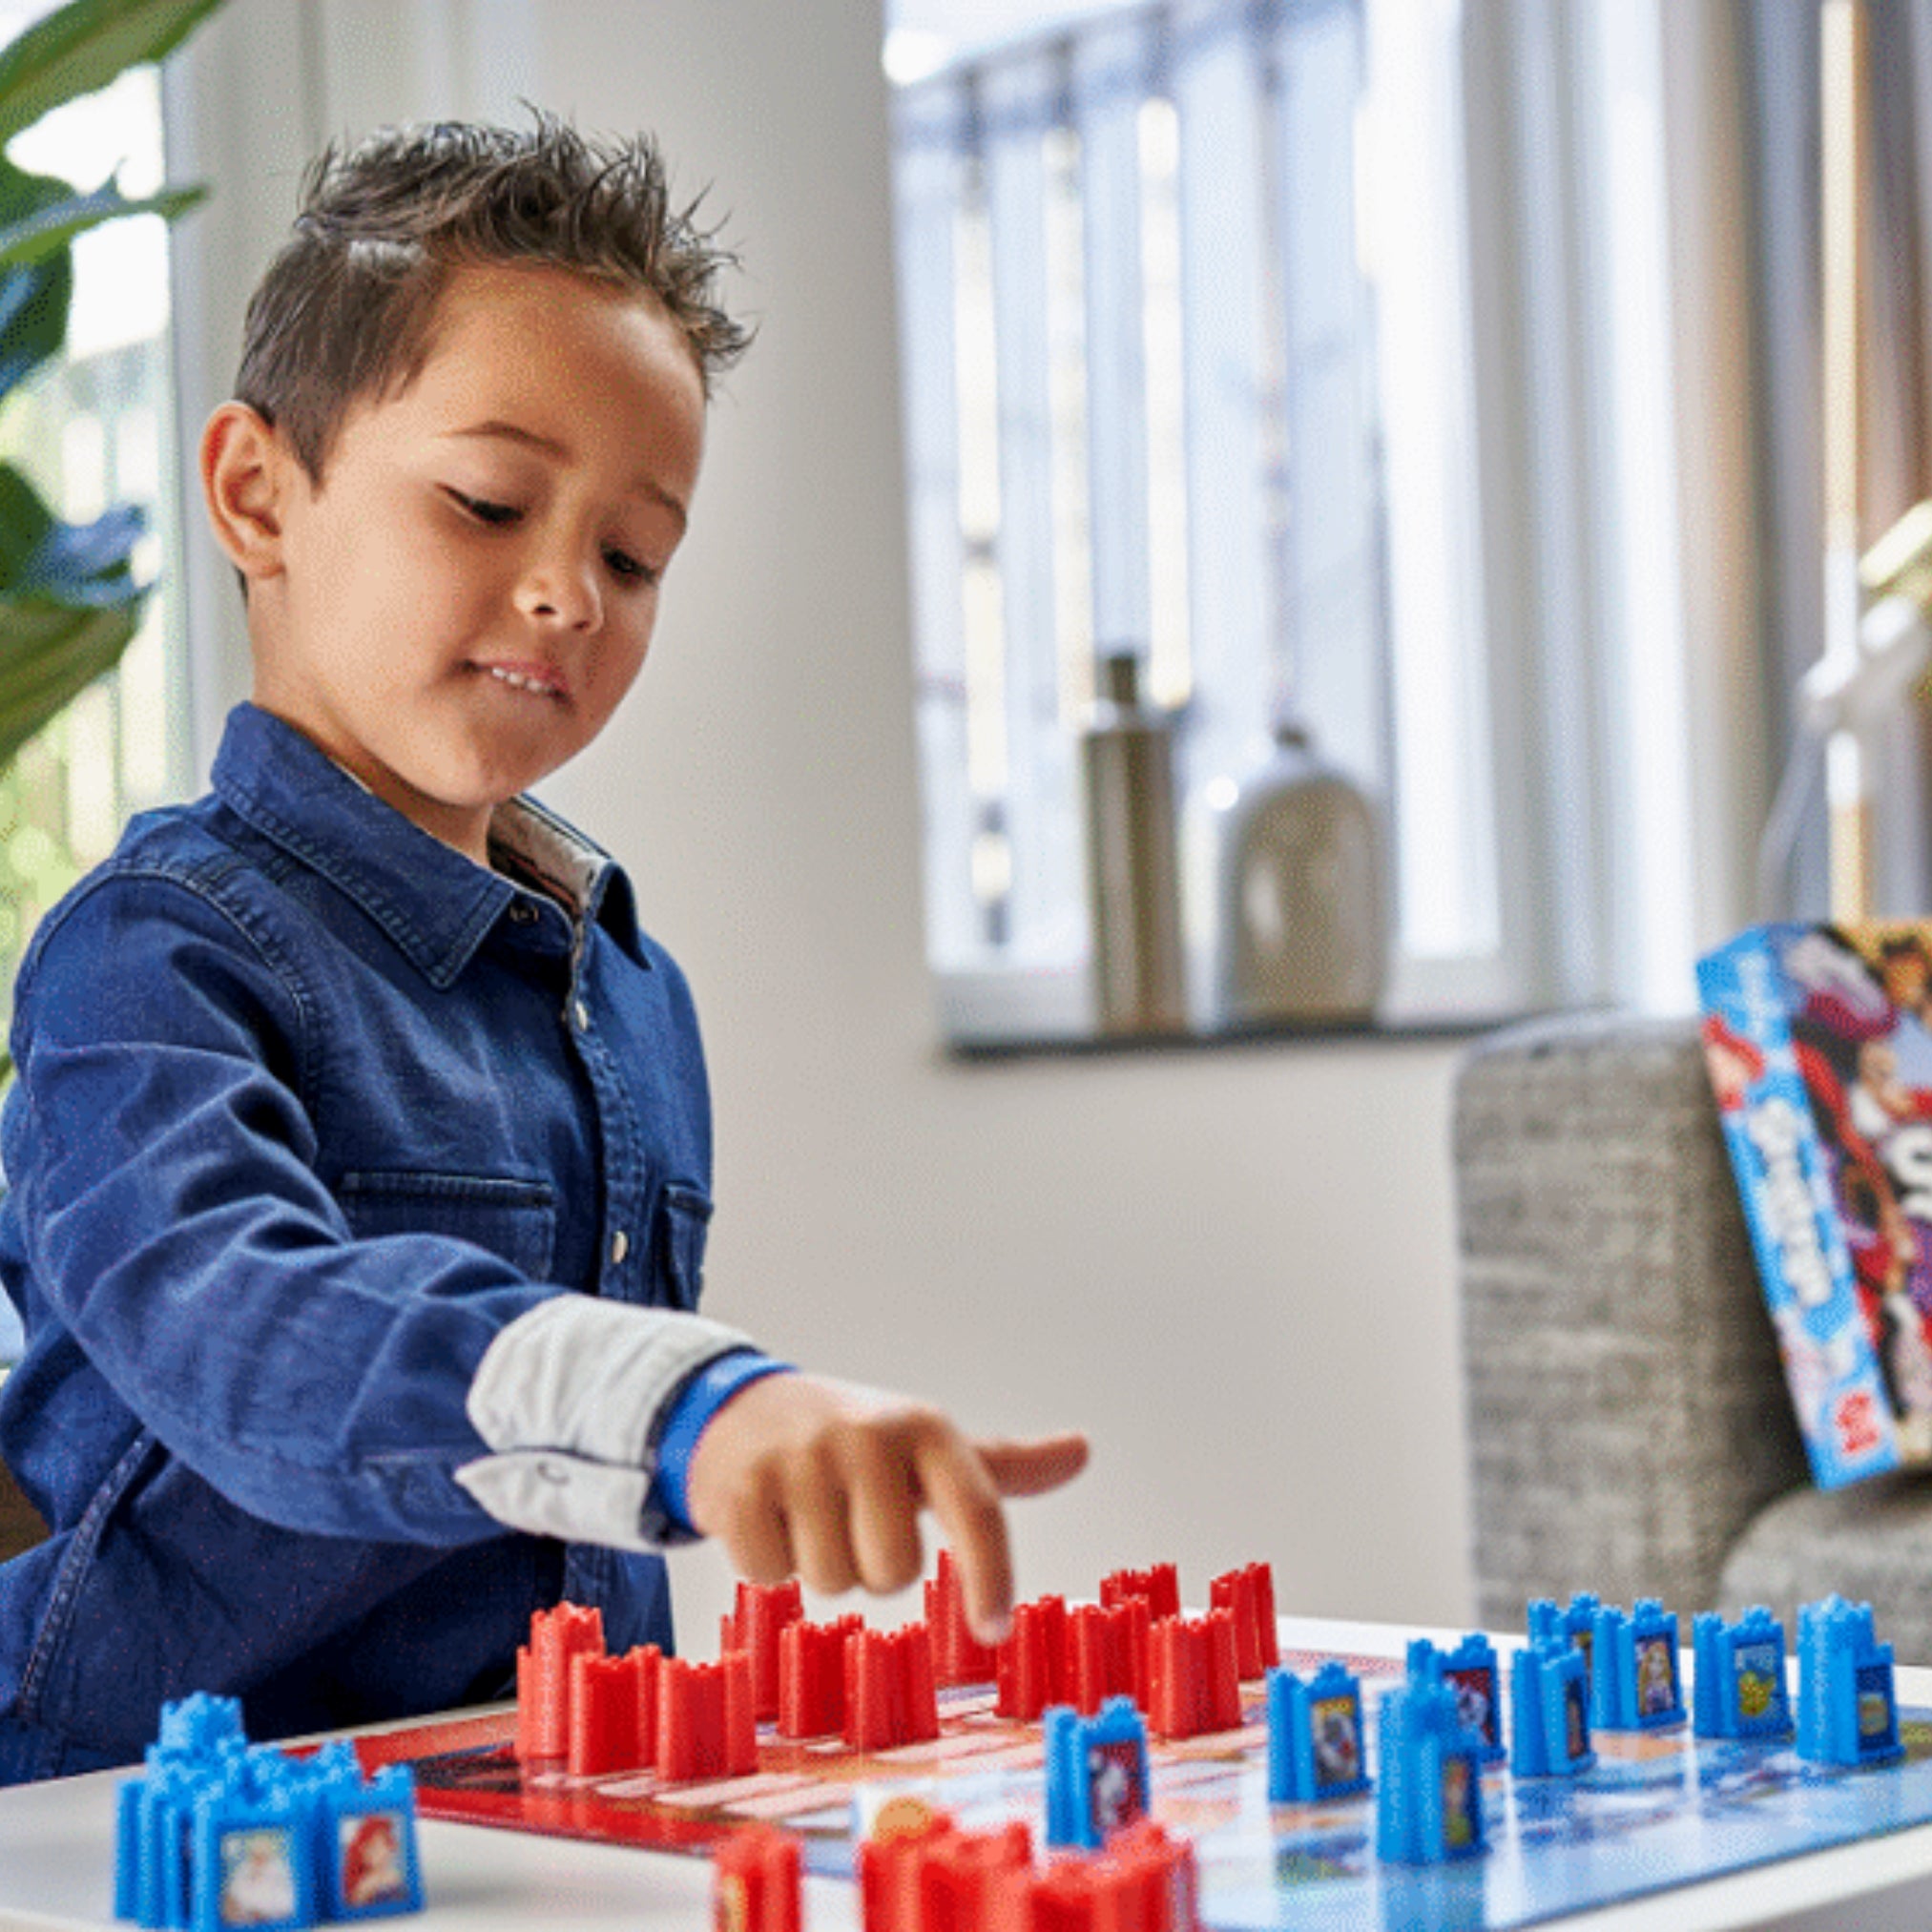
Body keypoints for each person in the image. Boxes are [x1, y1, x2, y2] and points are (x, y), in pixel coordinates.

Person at [0, 114, 1087, 1782]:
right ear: (256, 493)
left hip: (532, 1800)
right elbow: (241, 1327)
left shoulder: (634, 993)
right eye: (491, 502)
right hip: (145, 1820)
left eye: (631, 555)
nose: (571, 592)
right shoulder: (151, 954)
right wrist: (680, 1401)